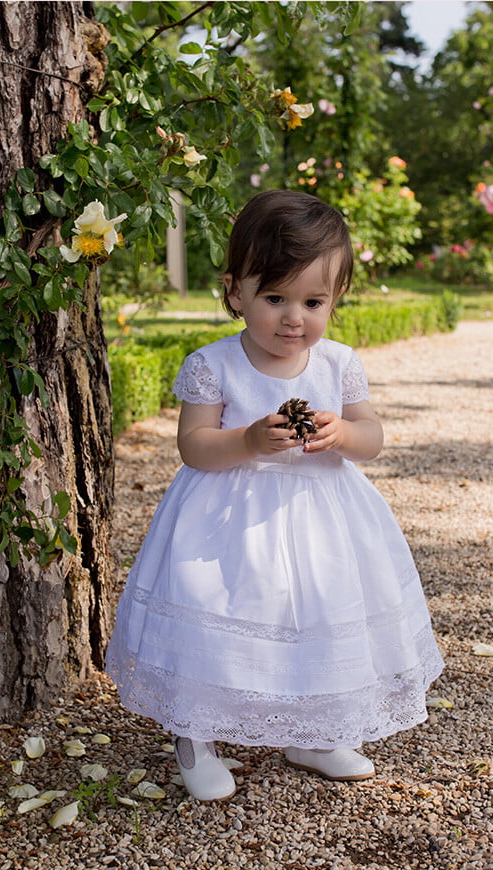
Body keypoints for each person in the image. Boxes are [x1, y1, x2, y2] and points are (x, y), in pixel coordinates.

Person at [106, 190, 444, 802]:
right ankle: (196, 734)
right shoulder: (215, 364)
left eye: (314, 301)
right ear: (236, 292)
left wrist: (344, 433)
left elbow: (373, 438)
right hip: (226, 521)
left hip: (322, 518)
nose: (295, 318)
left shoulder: (338, 365)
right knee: (218, 620)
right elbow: (195, 446)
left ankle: (311, 729)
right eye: (275, 298)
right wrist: (251, 439)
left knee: (319, 611)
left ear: (334, 299)